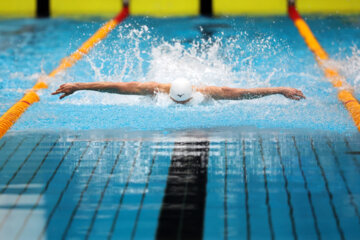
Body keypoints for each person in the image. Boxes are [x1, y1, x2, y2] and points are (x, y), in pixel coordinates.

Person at [52, 78, 305, 104]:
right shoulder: (155, 90)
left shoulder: (208, 92)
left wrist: (279, 89)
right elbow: (117, 87)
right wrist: (79, 85)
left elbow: (241, 93)